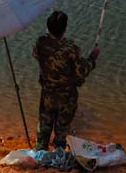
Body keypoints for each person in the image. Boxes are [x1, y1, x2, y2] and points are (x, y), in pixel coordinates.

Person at [32, 10, 99, 150]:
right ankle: (58, 153)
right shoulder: (70, 48)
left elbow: (36, 56)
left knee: (44, 126)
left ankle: (40, 152)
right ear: (64, 28)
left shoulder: (41, 42)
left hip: (47, 93)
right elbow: (82, 71)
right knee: (62, 129)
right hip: (66, 96)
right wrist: (92, 58)